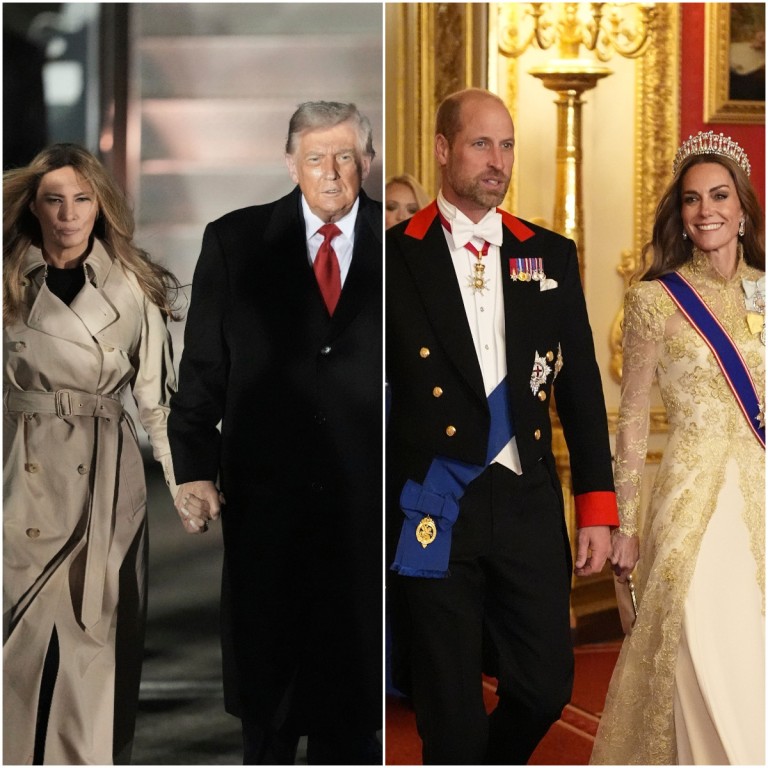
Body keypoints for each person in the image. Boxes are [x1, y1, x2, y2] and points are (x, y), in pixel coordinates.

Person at [386, 87, 619, 765]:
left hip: (525, 503)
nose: (498, 160)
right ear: (442, 149)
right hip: (434, 505)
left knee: (546, 687)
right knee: (449, 718)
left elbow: (577, 393)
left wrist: (597, 508)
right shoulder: (396, 257)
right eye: (482, 143)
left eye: (507, 144)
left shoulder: (547, 253)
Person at [167, 101, 382, 765]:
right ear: (291, 163)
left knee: (351, 701)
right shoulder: (234, 242)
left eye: (345, 156)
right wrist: (194, 466)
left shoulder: (398, 243)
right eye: (316, 157)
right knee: (269, 699)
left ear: (366, 163)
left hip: (364, 502)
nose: (331, 171)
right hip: (266, 499)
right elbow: (202, 367)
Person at [591, 132, 765, 765]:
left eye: (719, 196)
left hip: (762, 495)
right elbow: (633, 421)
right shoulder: (652, 301)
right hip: (691, 502)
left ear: (743, 207)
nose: (705, 210)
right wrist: (625, 528)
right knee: (699, 639)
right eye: (691, 200)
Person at [3, 143, 180, 764]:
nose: (68, 213)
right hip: (21, 472)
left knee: (95, 632)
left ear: (99, 206)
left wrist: (184, 486)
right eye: (54, 199)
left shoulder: (133, 286)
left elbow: (156, 400)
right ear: (35, 206)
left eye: (81, 199)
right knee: (16, 641)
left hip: (106, 476)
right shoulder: (6, 280)